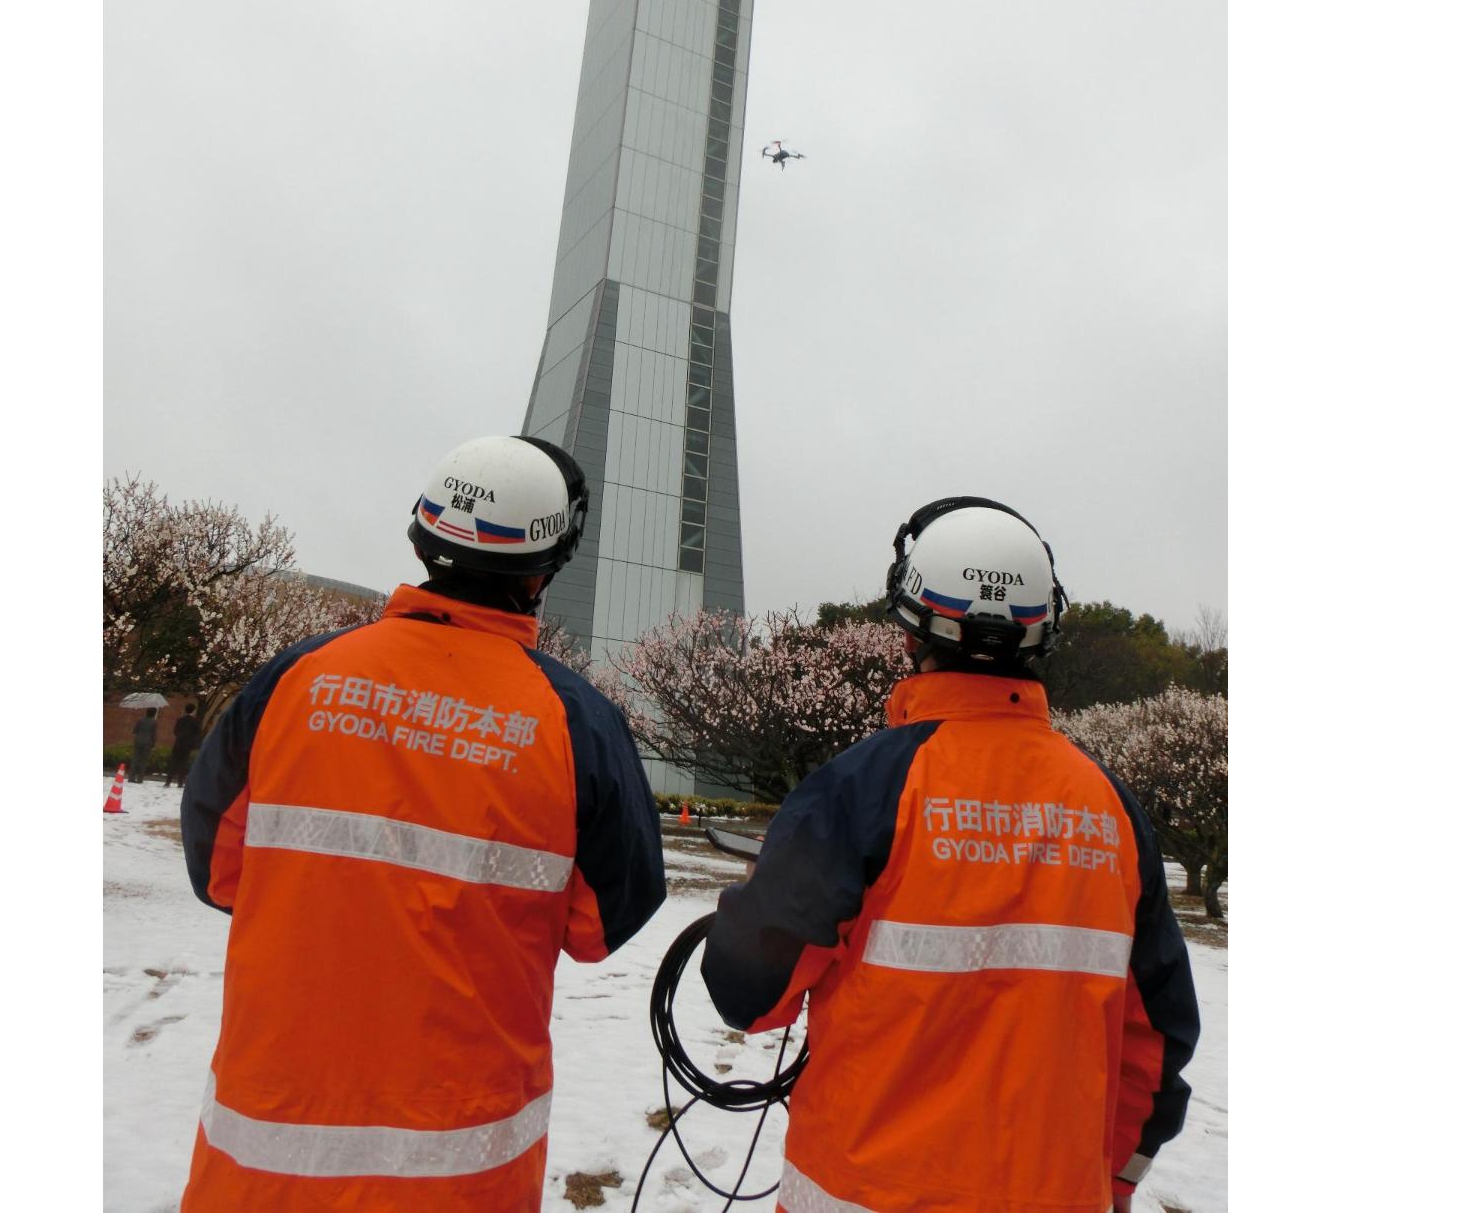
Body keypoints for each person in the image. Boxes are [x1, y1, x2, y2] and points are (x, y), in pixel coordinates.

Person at [179, 434, 666, 1212]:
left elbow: (219, 870)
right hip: (460, 1169)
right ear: (546, 566)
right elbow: (604, 922)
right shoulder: (578, 725)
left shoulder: (298, 677)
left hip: (263, 1158)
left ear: (423, 532)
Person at [701, 497, 1200, 1213]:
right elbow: (1158, 1037)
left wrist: (756, 900)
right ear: (1044, 632)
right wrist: (1113, 1178)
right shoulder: (1112, 809)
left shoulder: (855, 790)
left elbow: (747, 993)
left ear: (911, 631)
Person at [165, 705, 202, 788]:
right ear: (193, 711)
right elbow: (197, 734)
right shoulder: (195, 721)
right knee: (183, 764)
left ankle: (168, 781)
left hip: (178, 744)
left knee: (173, 762)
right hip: (187, 745)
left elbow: (175, 731)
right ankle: (180, 782)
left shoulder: (180, 720)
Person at [128, 707, 158, 784]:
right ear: (154, 714)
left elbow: (134, 731)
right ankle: (140, 779)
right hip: (148, 742)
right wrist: (153, 744)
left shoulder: (140, 720)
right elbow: (154, 735)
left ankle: (131, 777)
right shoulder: (154, 722)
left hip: (138, 741)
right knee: (143, 761)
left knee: (135, 759)